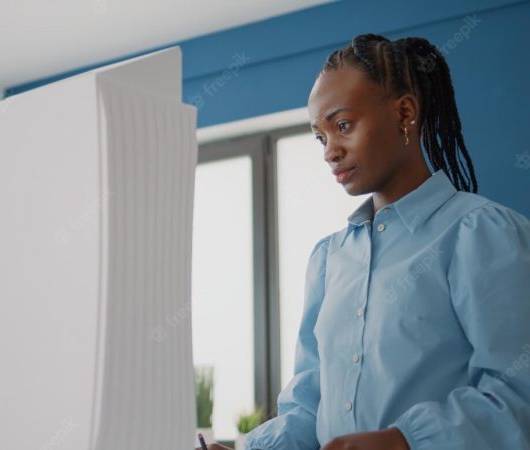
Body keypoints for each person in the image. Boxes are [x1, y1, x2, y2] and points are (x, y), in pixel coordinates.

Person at [203, 34, 530, 450]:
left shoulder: (481, 232)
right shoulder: (328, 259)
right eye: (321, 137)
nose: (330, 152)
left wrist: (402, 441)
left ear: (404, 112)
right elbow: (308, 408)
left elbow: (517, 396)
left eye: (343, 125)